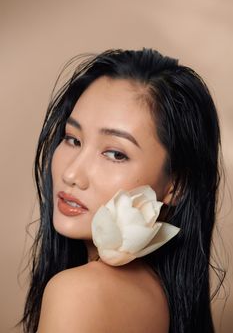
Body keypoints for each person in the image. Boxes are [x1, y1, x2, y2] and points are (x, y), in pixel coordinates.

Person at [20, 48, 224, 333]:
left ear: (175, 186)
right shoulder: (157, 295)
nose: (71, 174)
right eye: (72, 139)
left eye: (115, 154)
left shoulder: (77, 293)